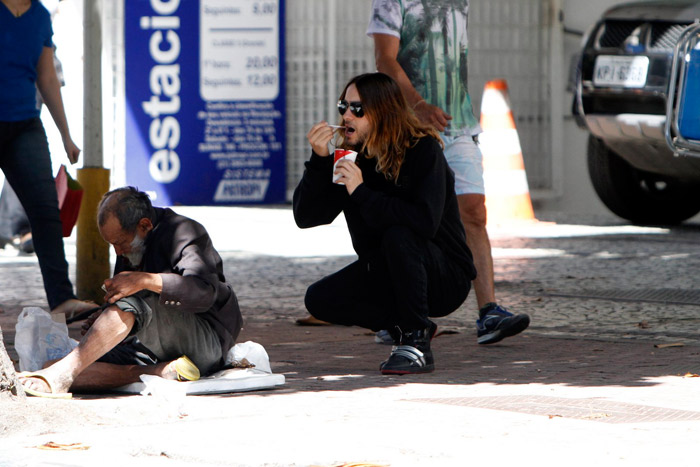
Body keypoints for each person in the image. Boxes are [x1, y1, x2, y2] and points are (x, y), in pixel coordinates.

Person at [367, 0, 530, 345]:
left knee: (473, 211)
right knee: (407, 218)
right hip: (407, 125)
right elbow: (384, 59)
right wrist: (418, 104)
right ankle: (398, 312)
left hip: (457, 123)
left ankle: (489, 313)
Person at [293, 72, 476, 374]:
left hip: (444, 275)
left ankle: (416, 344)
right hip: (388, 270)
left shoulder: (421, 150)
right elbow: (308, 217)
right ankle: (405, 325)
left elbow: (423, 223)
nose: (346, 115)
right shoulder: (351, 156)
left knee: (398, 234)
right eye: (343, 107)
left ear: (383, 111)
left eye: (357, 109)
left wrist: (362, 192)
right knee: (320, 299)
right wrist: (319, 160)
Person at [18, 187, 243, 397]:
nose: (117, 251)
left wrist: (146, 280)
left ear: (144, 226)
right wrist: (103, 320)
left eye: (120, 242)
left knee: (131, 307)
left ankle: (64, 373)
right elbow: (124, 303)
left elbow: (203, 293)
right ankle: (158, 371)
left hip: (205, 343)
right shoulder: (129, 245)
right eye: (112, 245)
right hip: (152, 347)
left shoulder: (185, 232)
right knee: (56, 365)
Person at [0, 0, 94, 316]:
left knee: (45, 212)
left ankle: (62, 299)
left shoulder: (40, 16)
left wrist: (66, 135)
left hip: (25, 124)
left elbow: (47, 77)